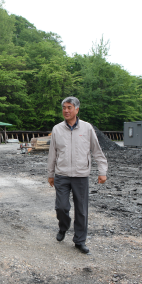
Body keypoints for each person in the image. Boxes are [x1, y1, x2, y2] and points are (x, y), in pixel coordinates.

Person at [47, 97, 108, 254]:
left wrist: (102, 171)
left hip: (81, 175)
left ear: (77, 110)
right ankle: (63, 227)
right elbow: (52, 153)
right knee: (61, 207)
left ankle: (80, 241)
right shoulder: (57, 129)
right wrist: (50, 173)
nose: (66, 110)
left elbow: (97, 151)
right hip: (62, 174)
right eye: (64, 108)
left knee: (81, 210)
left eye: (69, 107)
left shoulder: (87, 128)